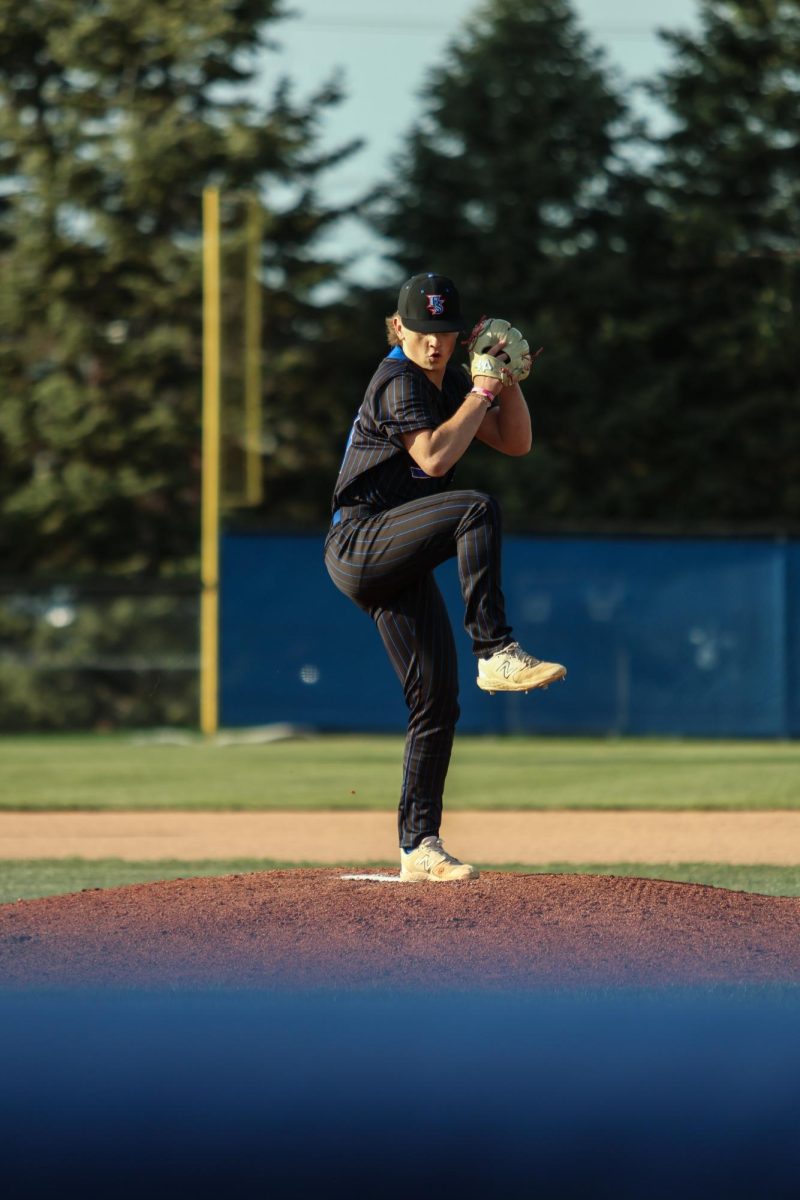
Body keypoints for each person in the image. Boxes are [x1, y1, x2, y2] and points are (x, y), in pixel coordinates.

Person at [324, 272, 566, 883]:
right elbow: (433, 456)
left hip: (394, 552)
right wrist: (481, 392)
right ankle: (495, 649)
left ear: (458, 337)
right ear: (398, 327)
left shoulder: (450, 380)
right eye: (421, 330)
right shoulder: (396, 380)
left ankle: (419, 847)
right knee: (474, 507)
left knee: (436, 701)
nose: (433, 343)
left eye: (444, 332)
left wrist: (503, 382)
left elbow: (515, 442)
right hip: (359, 542)